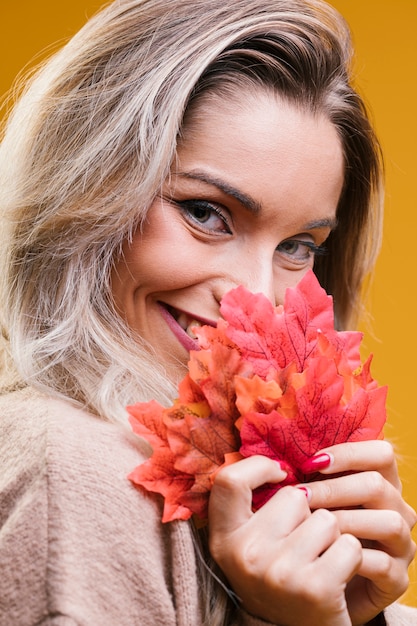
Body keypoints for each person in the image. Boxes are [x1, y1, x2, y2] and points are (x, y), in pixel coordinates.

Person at [0, 0, 416, 624]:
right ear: (81, 188)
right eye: (204, 213)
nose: (253, 295)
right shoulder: (70, 467)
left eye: (298, 247)